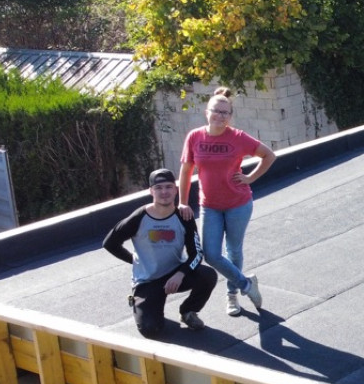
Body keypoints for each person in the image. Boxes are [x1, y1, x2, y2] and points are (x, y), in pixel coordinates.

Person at [178, 87, 276, 316]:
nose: (220, 116)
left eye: (225, 113)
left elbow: (269, 155)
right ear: (206, 112)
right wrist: (183, 202)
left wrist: (250, 177)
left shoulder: (238, 137)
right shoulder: (195, 137)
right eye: (216, 111)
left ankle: (232, 295)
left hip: (238, 204)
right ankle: (247, 284)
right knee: (211, 254)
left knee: (234, 250)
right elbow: (185, 171)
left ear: (230, 115)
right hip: (209, 205)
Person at [103, 168, 217, 338]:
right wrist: (134, 261)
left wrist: (180, 273)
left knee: (208, 276)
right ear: (151, 191)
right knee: (150, 329)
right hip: (148, 281)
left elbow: (197, 254)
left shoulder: (184, 216)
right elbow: (110, 243)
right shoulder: (139, 217)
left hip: (175, 275)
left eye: (169, 187)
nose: (164, 192)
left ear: (175, 189)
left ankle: (188, 312)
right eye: (159, 188)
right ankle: (144, 305)